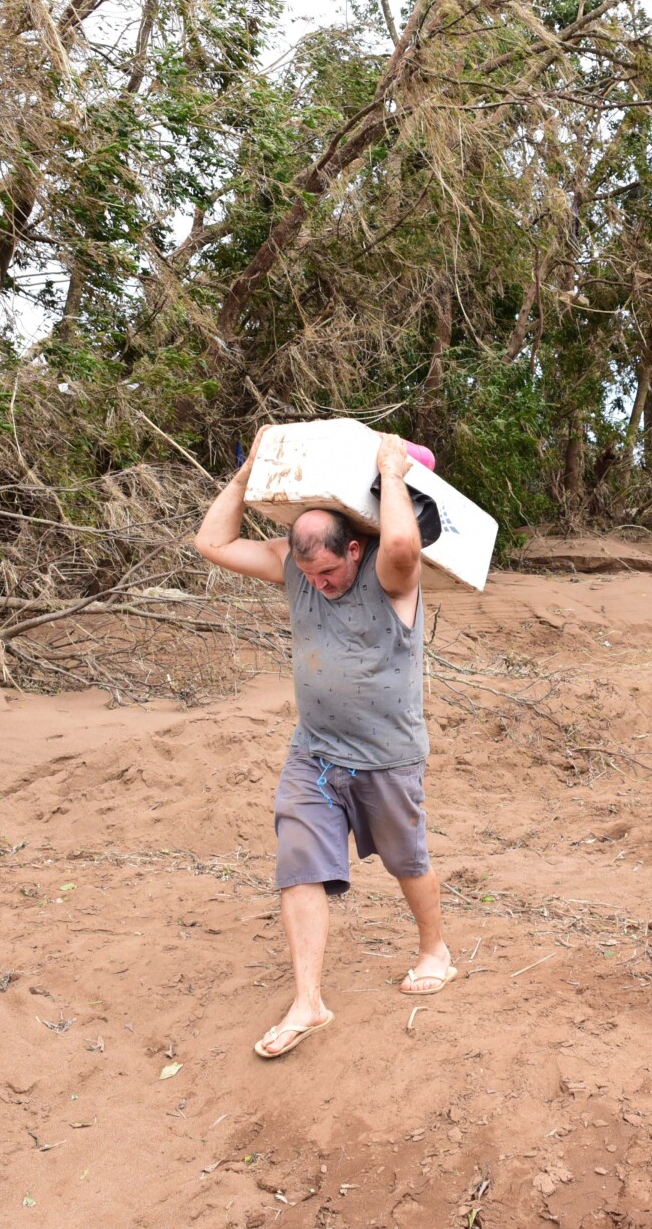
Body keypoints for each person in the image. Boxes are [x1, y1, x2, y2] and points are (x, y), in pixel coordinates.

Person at [194, 428, 455, 1059]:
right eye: (310, 573)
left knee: (406, 859)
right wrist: (247, 471)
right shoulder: (298, 571)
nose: (322, 585)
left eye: (332, 571)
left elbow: (399, 538)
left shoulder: (394, 577)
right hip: (313, 753)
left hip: (387, 755)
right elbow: (211, 542)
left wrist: (392, 470)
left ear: (355, 551)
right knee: (300, 863)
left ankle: (435, 950)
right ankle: (308, 1000)